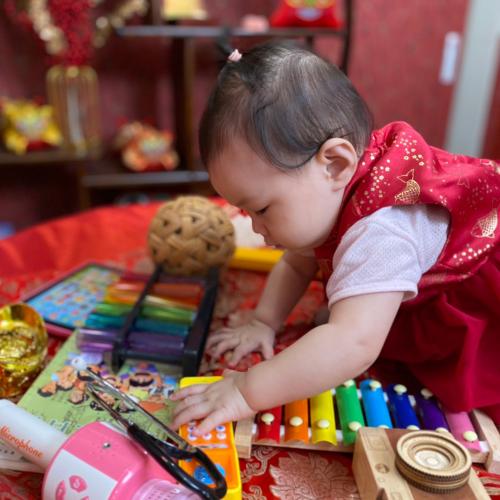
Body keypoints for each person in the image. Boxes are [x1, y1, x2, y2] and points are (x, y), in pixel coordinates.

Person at [170, 40, 500, 435]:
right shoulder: (329, 190)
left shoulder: (382, 232)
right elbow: (297, 261)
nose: (256, 228)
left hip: (480, 287)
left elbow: (353, 345)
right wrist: (263, 322)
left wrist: (245, 391)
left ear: (335, 164)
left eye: (262, 209)